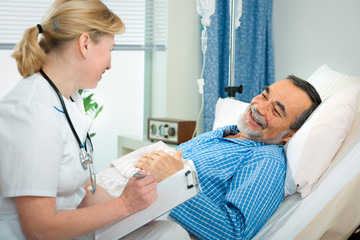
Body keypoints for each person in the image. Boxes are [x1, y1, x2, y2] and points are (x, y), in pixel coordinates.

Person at [0, 1, 189, 239]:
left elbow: (78, 195)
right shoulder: (32, 111)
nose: (110, 63)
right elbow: (39, 227)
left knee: (169, 230)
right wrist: (124, 206)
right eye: (110, 49)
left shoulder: (69, 101)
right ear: (85, 44)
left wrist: (137, 207)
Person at [135, 75, 322, 240]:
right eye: (264, 96)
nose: (259, 107)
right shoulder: (223, 132)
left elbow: (233, 232)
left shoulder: (266, 161)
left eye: (276, 111)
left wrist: (176, 181)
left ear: (290, 134)